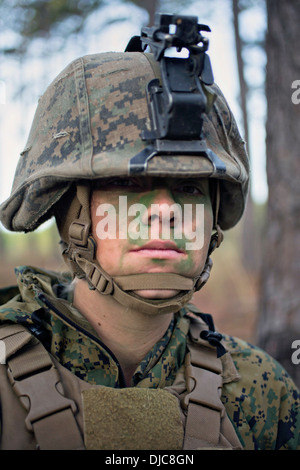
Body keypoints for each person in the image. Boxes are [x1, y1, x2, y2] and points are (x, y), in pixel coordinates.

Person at [0, 14, 299, 451]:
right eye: (126, 182)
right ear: (68, 210)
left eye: (189, 187)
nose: (165, 210)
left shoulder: (262, 389)